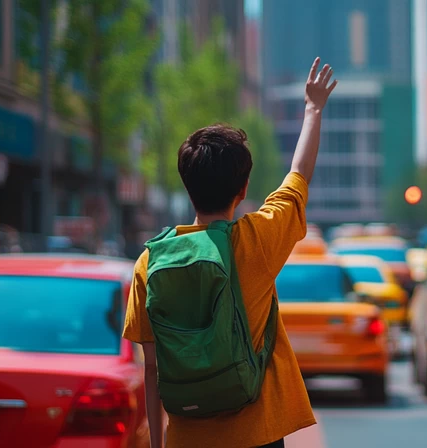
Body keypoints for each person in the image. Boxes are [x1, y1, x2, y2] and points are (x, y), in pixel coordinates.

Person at [122, 57, 337, 448]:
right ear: (243, 189)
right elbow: (298, 175)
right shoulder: (256, 241)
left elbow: (151, 369)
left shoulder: (150, 261)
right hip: (258, 434)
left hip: (188, 437)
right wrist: (313, 108)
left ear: (187, 185)